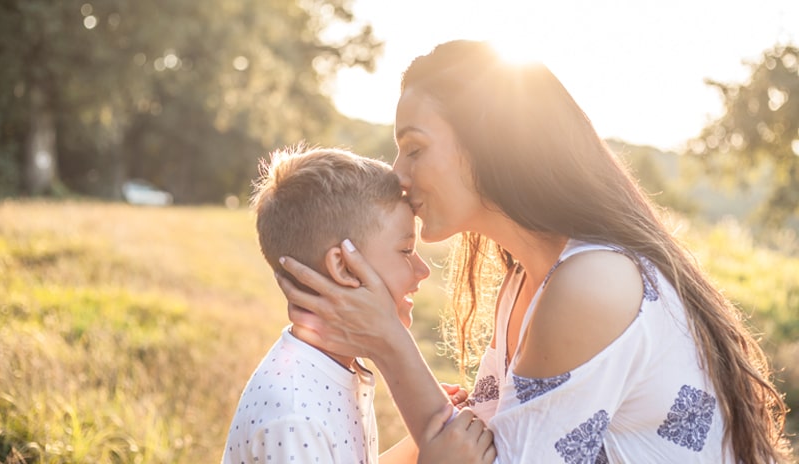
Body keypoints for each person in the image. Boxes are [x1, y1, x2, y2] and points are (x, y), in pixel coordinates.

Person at [275, 41, 794, 463]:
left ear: (487, 143)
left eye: (414, 148)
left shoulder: (593, 285)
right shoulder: (526, 282)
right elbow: (470, 447)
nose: (399, 174)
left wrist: (389, 342)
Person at [221, 145, 495, 464]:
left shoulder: (329, 371)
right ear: (345, 266)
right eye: (406, 250)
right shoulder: (295, 416)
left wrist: (422, 444)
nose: (423, 270)